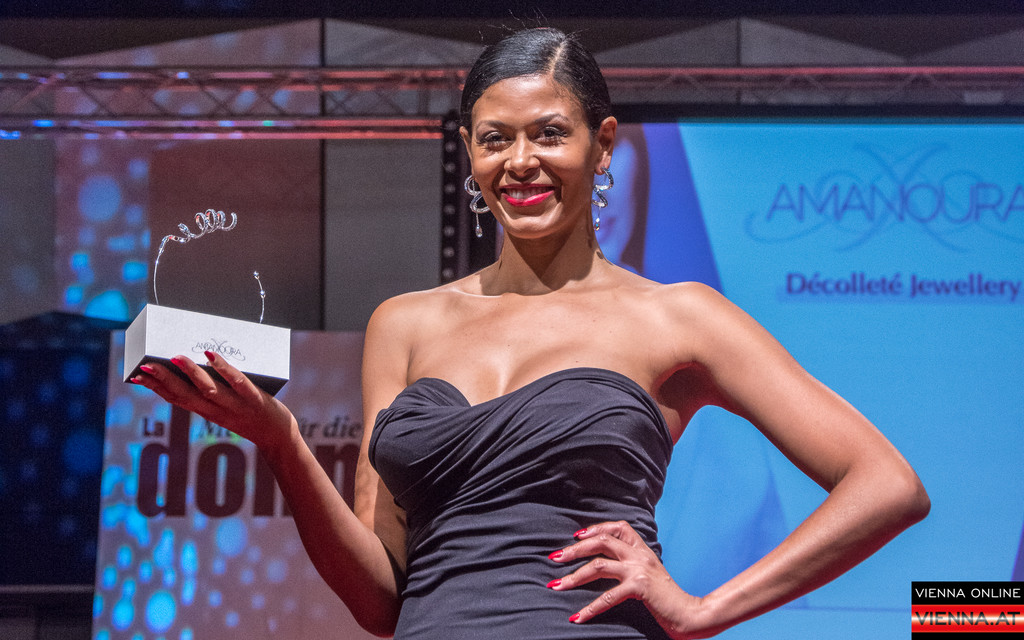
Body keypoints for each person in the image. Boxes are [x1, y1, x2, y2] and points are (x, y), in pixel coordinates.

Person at [131, 27, 930, 639]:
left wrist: (701, 611)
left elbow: (886, 485)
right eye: (495, 138)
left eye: (549, 133)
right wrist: (282, 444)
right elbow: (380, 600)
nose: (520, 161)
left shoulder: (677, 316)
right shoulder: (405, 323)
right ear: (470, 153)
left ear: (602, 144)